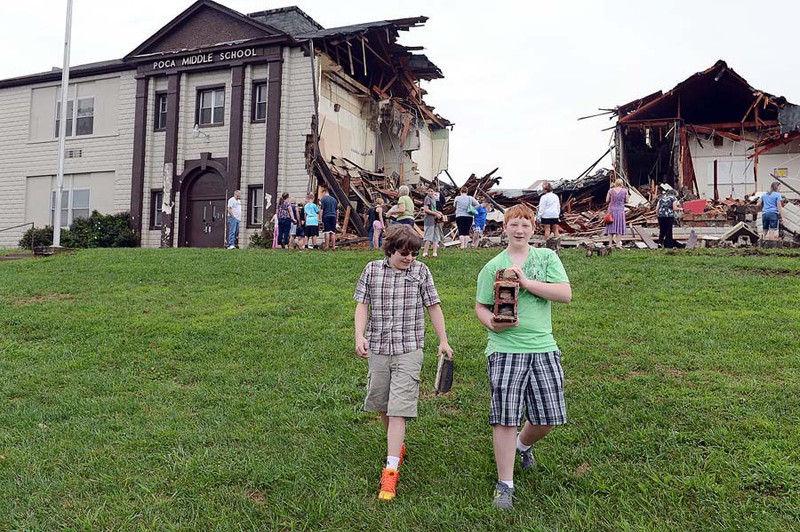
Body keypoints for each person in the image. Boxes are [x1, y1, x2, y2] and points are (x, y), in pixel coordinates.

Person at [474, 204, 572, 510]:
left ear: (533, 229)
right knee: (505, 417)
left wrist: (526, 283)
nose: (519, 230)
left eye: (525, 225)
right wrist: (492, 323)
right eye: (514, 224)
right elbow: (480, 305)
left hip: (542, 346)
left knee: (548, 418)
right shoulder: (493, 266)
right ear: (505, 227)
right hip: (505, 349)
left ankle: (522, 444)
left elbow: (565, 294)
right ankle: (505, 483)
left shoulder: (546, 258)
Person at [354, 224, 453, 503]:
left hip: (410, 348)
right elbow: (362, 304)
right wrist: (359, 335)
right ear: (390, 249)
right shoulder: (372, 270)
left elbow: (433, 306)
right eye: (404, 253)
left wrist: (443, 340)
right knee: (383, 405)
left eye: (413, 253)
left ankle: (390, 471)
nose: (409, 258)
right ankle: (396, 446)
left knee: (399, 409)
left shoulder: (421, 272)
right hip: (379, 347)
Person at [605, 178, 628, 249]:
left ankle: (610, 244)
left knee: (610, 226)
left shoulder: (611, 191)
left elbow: (607, 200)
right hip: (620, 210)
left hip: (611, 210)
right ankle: (618, 244)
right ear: (621, 184)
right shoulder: (625, 191)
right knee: (619, 226)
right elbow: (627, 200)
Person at [421, 187, 443, 258]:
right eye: (429, 191)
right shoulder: (427, 198)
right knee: (428, 237)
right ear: (427, 192)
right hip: (429, 220)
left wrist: (438, 212)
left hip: (435, 221)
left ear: (434, 192)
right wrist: (435, 214)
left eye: (432, 191)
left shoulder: (433, 198)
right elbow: (426, 209)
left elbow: (433, 209)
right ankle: (425, 253)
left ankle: (434, 253)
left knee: (436, 237)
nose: (430, 192)